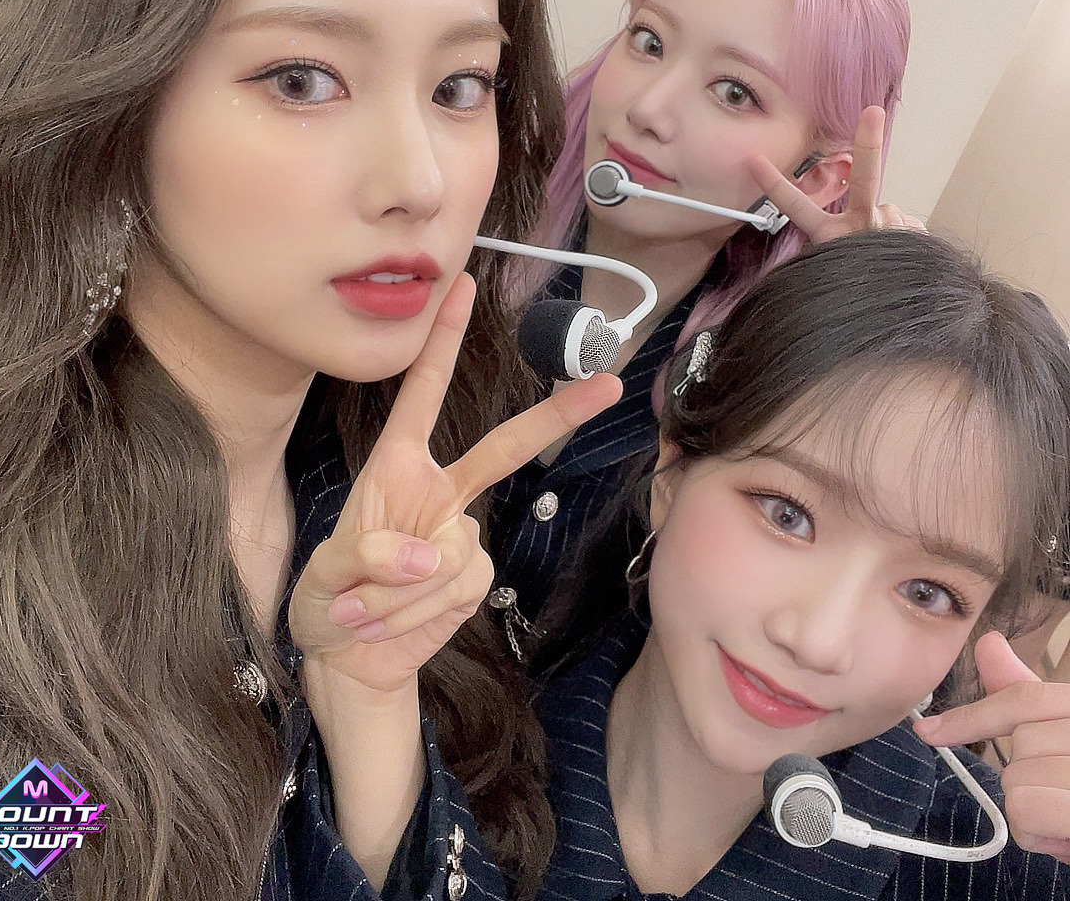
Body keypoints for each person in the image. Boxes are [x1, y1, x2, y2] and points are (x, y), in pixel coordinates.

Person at [0, 0, 621, 897]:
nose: (419, 180)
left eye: (461, 85)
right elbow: (17, 849)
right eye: (304, 79)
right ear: (105, 96)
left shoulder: (394, 501)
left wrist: (367, 709)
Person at [303, 228, 1070, 899]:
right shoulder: (442, 732)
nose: (819, 640)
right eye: (788, 514)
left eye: (928, 592)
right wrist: (367, 726)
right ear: (672, 469)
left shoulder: (1004, 869)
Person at [488, 0, 919, 628]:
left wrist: (850, 332)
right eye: (649, 41)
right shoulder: (470, 218)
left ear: (817, 177)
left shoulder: (755, 383)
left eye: (734, 92)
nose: (648, 108)